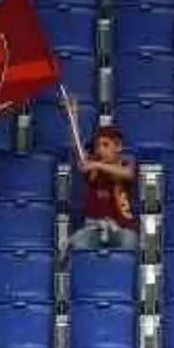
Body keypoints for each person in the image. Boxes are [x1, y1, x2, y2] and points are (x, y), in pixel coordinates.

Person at [62, 93, 139, 252]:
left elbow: (128, 173)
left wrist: (96, 164)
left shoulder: (126, 163)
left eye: (105, 145)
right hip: (93, 227)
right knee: (74, 246)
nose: (100, 150)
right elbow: (77, 147)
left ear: (117, 147)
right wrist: (73, 116)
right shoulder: (93, 168)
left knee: (130, 243)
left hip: (122, 227)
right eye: (97, 146)